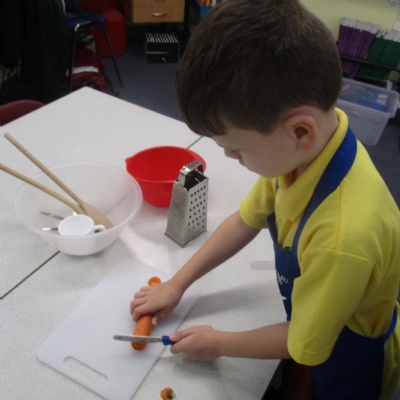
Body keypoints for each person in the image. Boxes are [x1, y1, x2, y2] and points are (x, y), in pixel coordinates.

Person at [130, 1, 400, 398]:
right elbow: (245, 221)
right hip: (316, 318)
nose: (229, 157)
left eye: (238, 149)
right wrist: (177, 283)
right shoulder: (303, 155)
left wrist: (219, 342)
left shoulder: (342, 239)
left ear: (300, 131)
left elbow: (302, 343)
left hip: (351, 357)